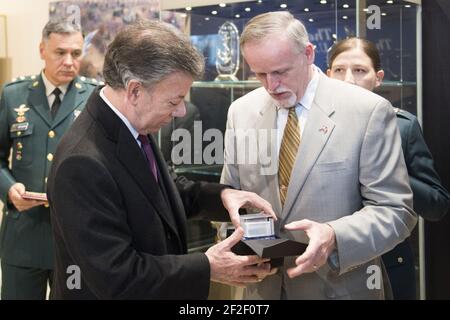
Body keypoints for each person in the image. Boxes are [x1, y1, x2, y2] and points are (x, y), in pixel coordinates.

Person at [46, 20, 276, 300]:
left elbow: (161, 193)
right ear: (134, 91)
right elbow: (116, 275)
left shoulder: (132, 124)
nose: (180, 111)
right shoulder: (81, 163)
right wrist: (207, 266)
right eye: (173, 100)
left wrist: (225, 196)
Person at [221, 11, 417, 299]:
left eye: (280, 71)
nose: (270, 85)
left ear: (309, 53)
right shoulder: (241, 111)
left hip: (338, 288)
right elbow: (234, 195)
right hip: (261, 291)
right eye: (259, 73)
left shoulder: (367, 111)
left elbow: (396, 212)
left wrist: (334, 236)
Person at [327, 37, 450, 299]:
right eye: (339, 70)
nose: (348, 79)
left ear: (378, 77)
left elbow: (437, 205)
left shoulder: (402, 126)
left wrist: (393, 167)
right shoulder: (310, 127)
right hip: (327, 262)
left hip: (388, 264)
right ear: (328, 75)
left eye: (360, 70)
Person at [0, 19, 98, 300]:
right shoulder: (13, 95)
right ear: (42, 50)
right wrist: (8, 189)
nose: (69, 61)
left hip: (75, 239)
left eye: (76, 53)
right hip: (23, 236)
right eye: (60, 52)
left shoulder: (95, 98)